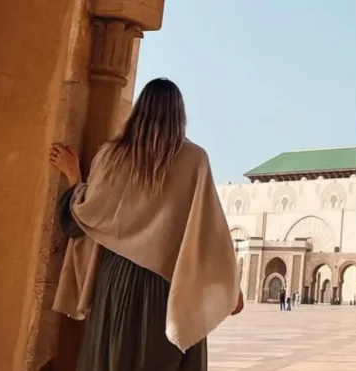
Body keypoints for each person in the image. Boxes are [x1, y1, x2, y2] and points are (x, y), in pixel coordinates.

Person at [49, 78, 242, 371]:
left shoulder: (112, 156)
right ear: (180, 114)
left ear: (139, 110)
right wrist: (230, 286)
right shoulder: (194, 159)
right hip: (168, 286)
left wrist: (74, 177)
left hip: (115, 282)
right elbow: (207, 234)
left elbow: (83, 218)